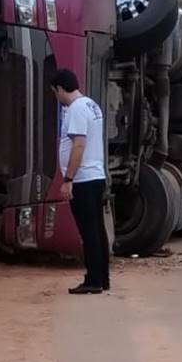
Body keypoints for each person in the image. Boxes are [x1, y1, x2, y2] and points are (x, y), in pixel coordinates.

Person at [51, 69, 110, 295]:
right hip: (96, 175)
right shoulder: (91, 105)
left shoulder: (75, 109)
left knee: (89, 232)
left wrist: (68, 178)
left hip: (83, 178)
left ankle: (93, 280)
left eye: (55, 92)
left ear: (60, 88)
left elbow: (78, 144)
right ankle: (102, 277)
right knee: (98, 229)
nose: (56, 97)